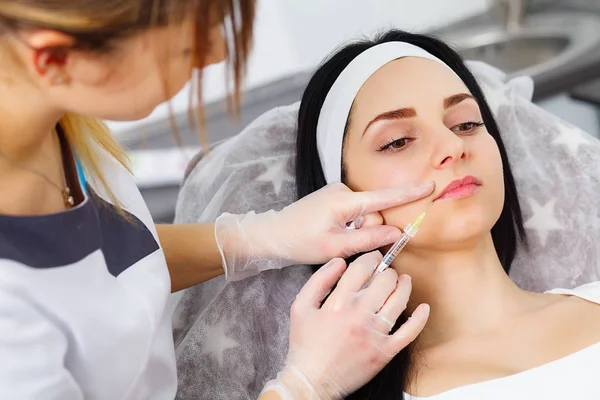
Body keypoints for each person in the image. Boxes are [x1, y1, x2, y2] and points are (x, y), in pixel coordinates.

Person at [0, 2, 432, 399]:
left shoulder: (51, 115)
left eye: (469, 124)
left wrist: (255, 239)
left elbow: (99, 269)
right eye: (187, 46)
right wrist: (307, 385)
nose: (217, 54)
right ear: (56, 60)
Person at [294, 29, 600, 399]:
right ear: (341, 199)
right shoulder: (326, 386)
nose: (453, 147)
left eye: (466, 124)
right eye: (398, 141)